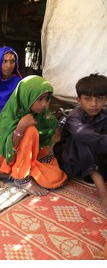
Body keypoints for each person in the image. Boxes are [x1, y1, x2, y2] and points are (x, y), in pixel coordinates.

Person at [0, 75, 68, 196]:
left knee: (56, 177)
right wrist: (21, 126)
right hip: (9, 155)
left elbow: (42, 143)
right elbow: (8, 149)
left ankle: (5, 175)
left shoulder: (43, 115)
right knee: (30, 130)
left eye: (46, 99)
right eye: (40, 99)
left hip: (29, 155)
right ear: (27, 96)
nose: (44, 104)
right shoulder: (9, 115)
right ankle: (22, 178)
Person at [53, 74, 107, 214]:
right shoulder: (74, 117)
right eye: (88, 99)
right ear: (79, 100)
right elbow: (83, 134)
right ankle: (102, 193)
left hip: (92, 158)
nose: (94, 104)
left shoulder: (104, 115)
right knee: (82, 137)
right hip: (68, 159)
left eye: (99, 99)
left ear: (105, 99)